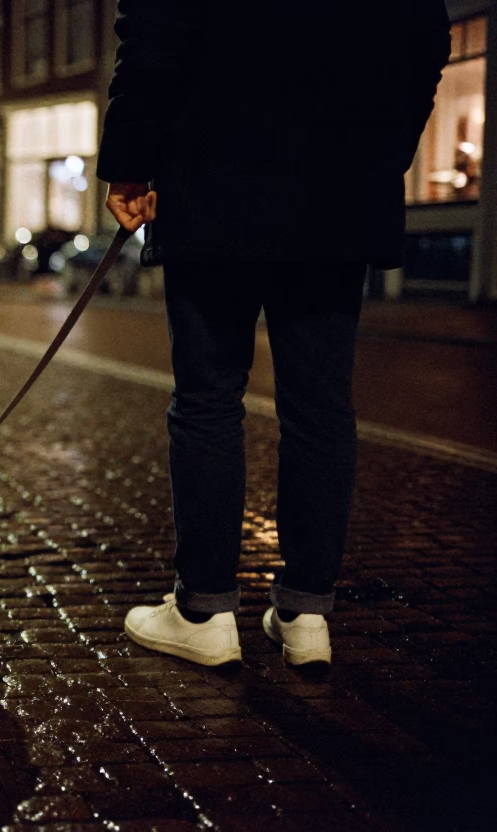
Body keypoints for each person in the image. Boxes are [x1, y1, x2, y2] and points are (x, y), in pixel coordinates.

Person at [98, 1, 450, 666]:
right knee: (319, 408)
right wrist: (380, 150)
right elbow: (426, 34)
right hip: (338, 185)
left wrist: (131, 161)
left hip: (214, 171)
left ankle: (203, 609)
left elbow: (154, 33)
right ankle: (306, 610)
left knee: (207, 400)